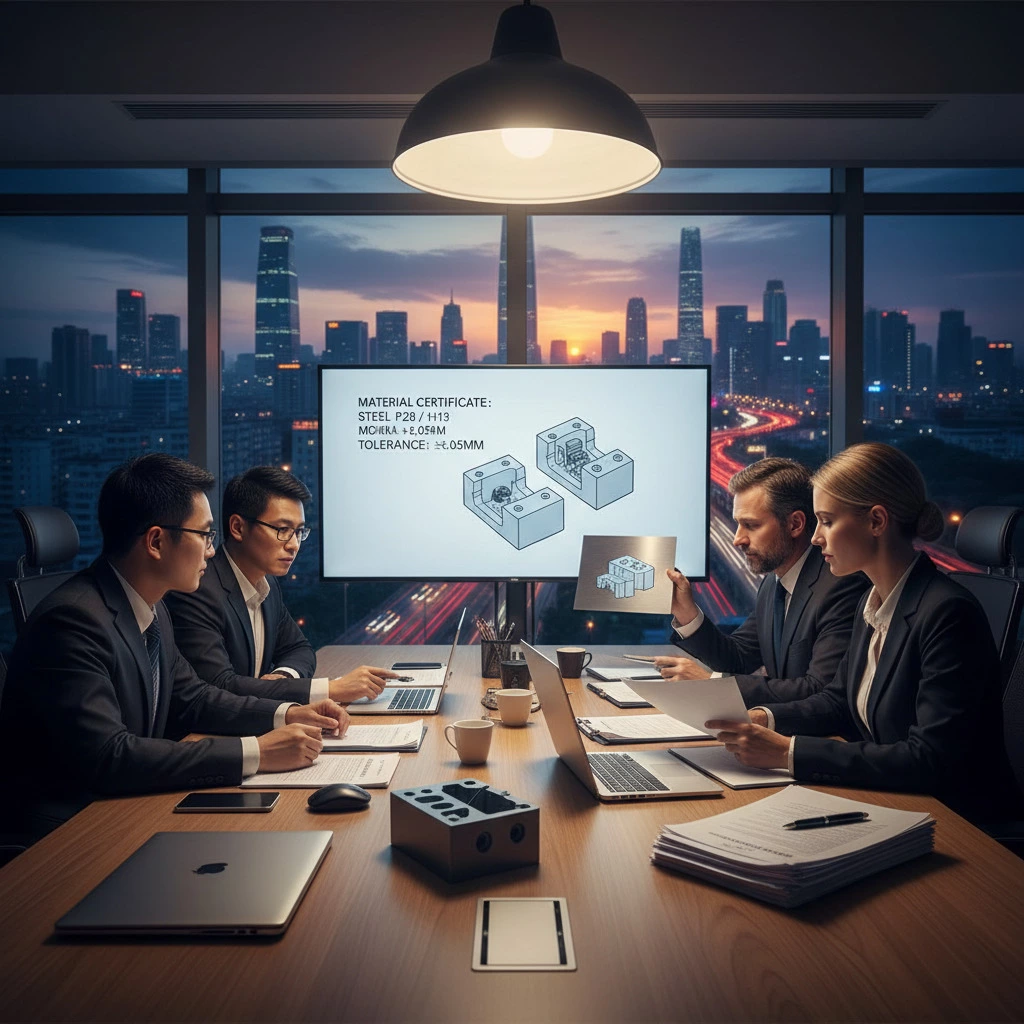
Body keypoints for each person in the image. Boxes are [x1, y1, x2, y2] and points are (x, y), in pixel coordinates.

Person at [0, 453, 350, 843]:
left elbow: (194, 697)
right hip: (68, 830)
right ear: (156, 541)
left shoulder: (150, 609)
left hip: (123, 803)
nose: (212, 551)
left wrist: (288, 714)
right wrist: (257, 753)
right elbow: (110, 755)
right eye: (204, 535)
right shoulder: (72, 620)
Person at [707, 442, 1019, 822]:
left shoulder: (947, 613)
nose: (816, 537)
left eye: (826, 520)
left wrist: (788, 752)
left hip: (957, 821)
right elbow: (837, 702)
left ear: (875, 521)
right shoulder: (872, 603)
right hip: (891, 800)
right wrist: (762, 719)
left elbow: (929, 758)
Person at [165, 466, 399, 704]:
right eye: (283, 530)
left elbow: (299, 649)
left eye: (299, 532)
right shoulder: (198, 589)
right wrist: (330, 689)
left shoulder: (267, 583)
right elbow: (219, 685)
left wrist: (282, 677)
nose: (294, 545)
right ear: (237, 527)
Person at [657, 458, 868, 706]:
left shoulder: (841, 585)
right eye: (738, 524)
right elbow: (738, 658)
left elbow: (819, 689)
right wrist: (687, 613)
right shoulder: (774, 582)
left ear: (795, 524)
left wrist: (713, 683)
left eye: (751, 525)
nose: (737, 539)